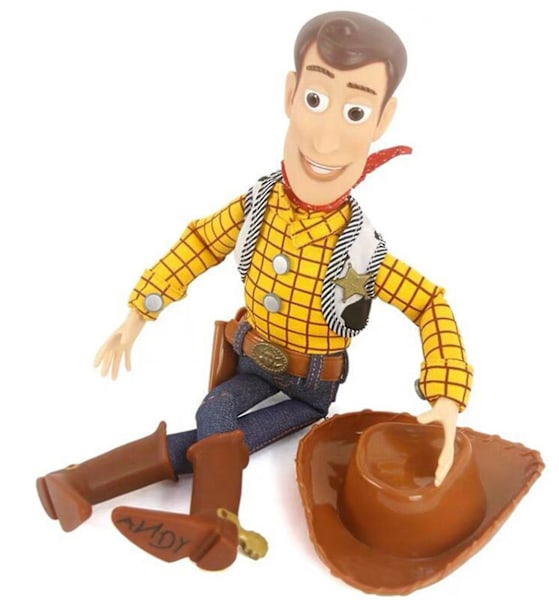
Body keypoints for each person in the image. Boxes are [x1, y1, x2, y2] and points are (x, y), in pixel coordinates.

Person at [36, 11, 473, 572]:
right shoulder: (257, 207)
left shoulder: (359, 252)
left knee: (221, 433)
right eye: (315, 100)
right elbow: (200, 243)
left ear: (382, 121)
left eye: (355, 112)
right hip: (251, 359)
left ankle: (85, 484)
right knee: (217, 412)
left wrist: (445, 398)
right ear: (291, 95)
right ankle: (187, 518)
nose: (326, 137)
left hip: (310, 391)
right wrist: (139, 312)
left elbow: (429, 303)